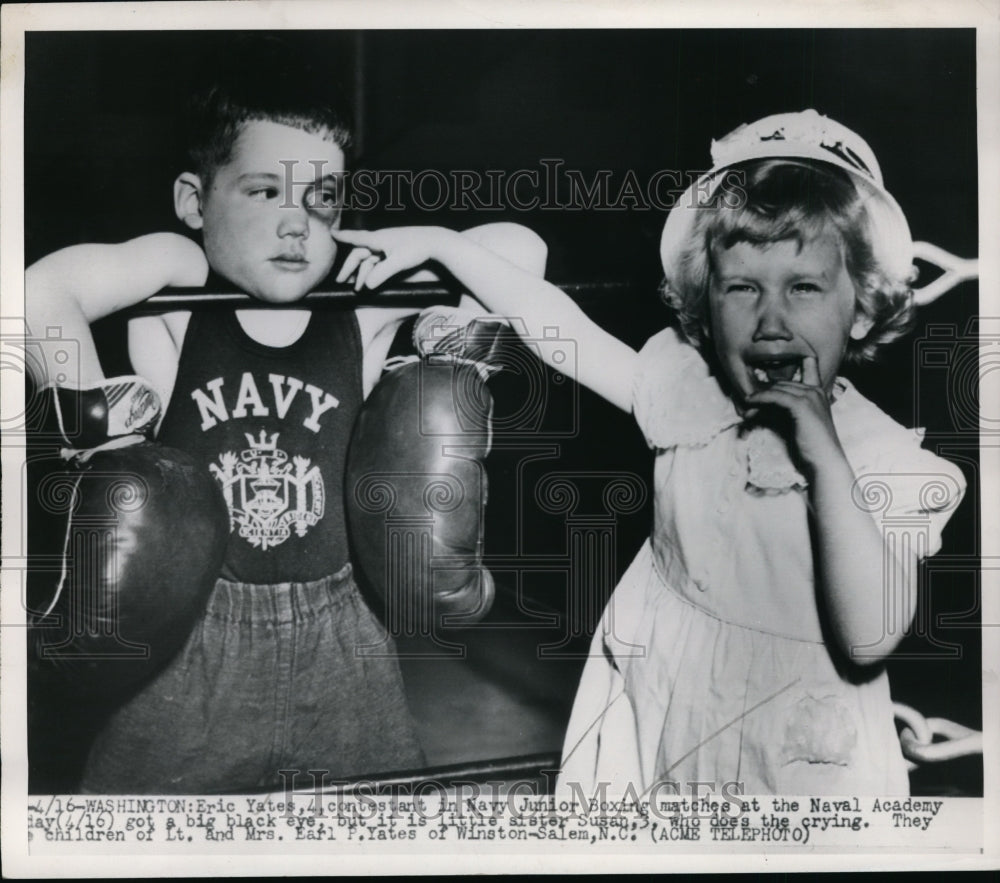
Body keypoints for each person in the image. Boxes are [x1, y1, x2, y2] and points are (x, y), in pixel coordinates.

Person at [331, 110, 966, 795]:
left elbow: (869, 636)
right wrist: (440, 245)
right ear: (703, 301)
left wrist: (826, 460)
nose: (770, 318)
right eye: (741, 286)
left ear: (863, 307)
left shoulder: (882, 459)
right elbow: (556, 327)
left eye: (804, 286)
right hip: (661, 707)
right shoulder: (684, 388)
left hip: (793, 760)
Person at [25, 36, 545, 793]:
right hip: (191, 639)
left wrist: (421, 245)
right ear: (194, 201)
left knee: (374, 833)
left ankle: (451, 342)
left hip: (345, 635)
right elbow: (42, 287)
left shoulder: (360, 307)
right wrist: (95, 416)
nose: (299, 223)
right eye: (266, 192)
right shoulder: (174, 295)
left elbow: (519, 248)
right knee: (142, 838)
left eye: (322, 198)